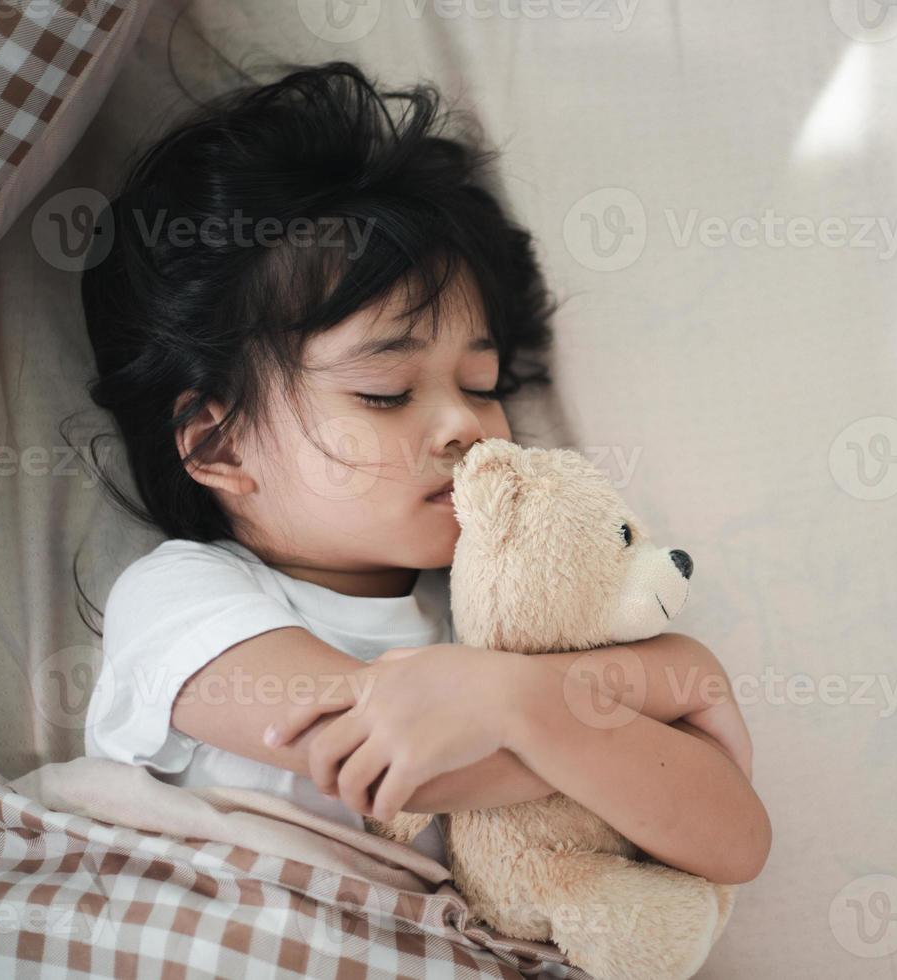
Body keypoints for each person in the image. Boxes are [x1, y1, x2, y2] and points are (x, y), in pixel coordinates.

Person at [78, 61, 768, 885]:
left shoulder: (492, 620)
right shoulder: (183, 598)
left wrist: (522, 696)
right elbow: (396, 765)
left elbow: (734, 843)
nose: (465, 426)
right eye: (385, 393)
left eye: (483, 386)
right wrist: (649, 687)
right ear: (219, 447)